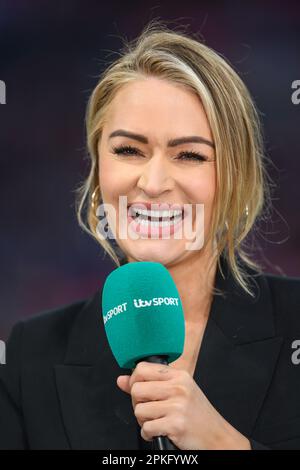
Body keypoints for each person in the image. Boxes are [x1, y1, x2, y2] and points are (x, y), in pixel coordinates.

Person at [1, 21, 300, 450]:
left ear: (235, 177)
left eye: (190, 155)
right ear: (96, 167)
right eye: (128, 150)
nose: (154, 181)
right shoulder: (30, 355)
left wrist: (222, 443)